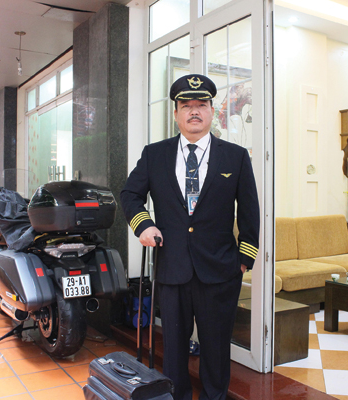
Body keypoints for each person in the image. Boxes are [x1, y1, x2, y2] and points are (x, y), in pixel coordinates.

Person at [121, 74, 260, 400]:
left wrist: (243, 259)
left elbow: (250, 210)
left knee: (216, 351)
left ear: (212, 111)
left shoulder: (235, 156)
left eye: (201, 105)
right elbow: (130, 195)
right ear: (176, 114)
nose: (194, 111)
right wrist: (144, 225)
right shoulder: (155, 154)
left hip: (220, 271)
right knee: (173, 351)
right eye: (186, 105)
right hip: (172, 269)